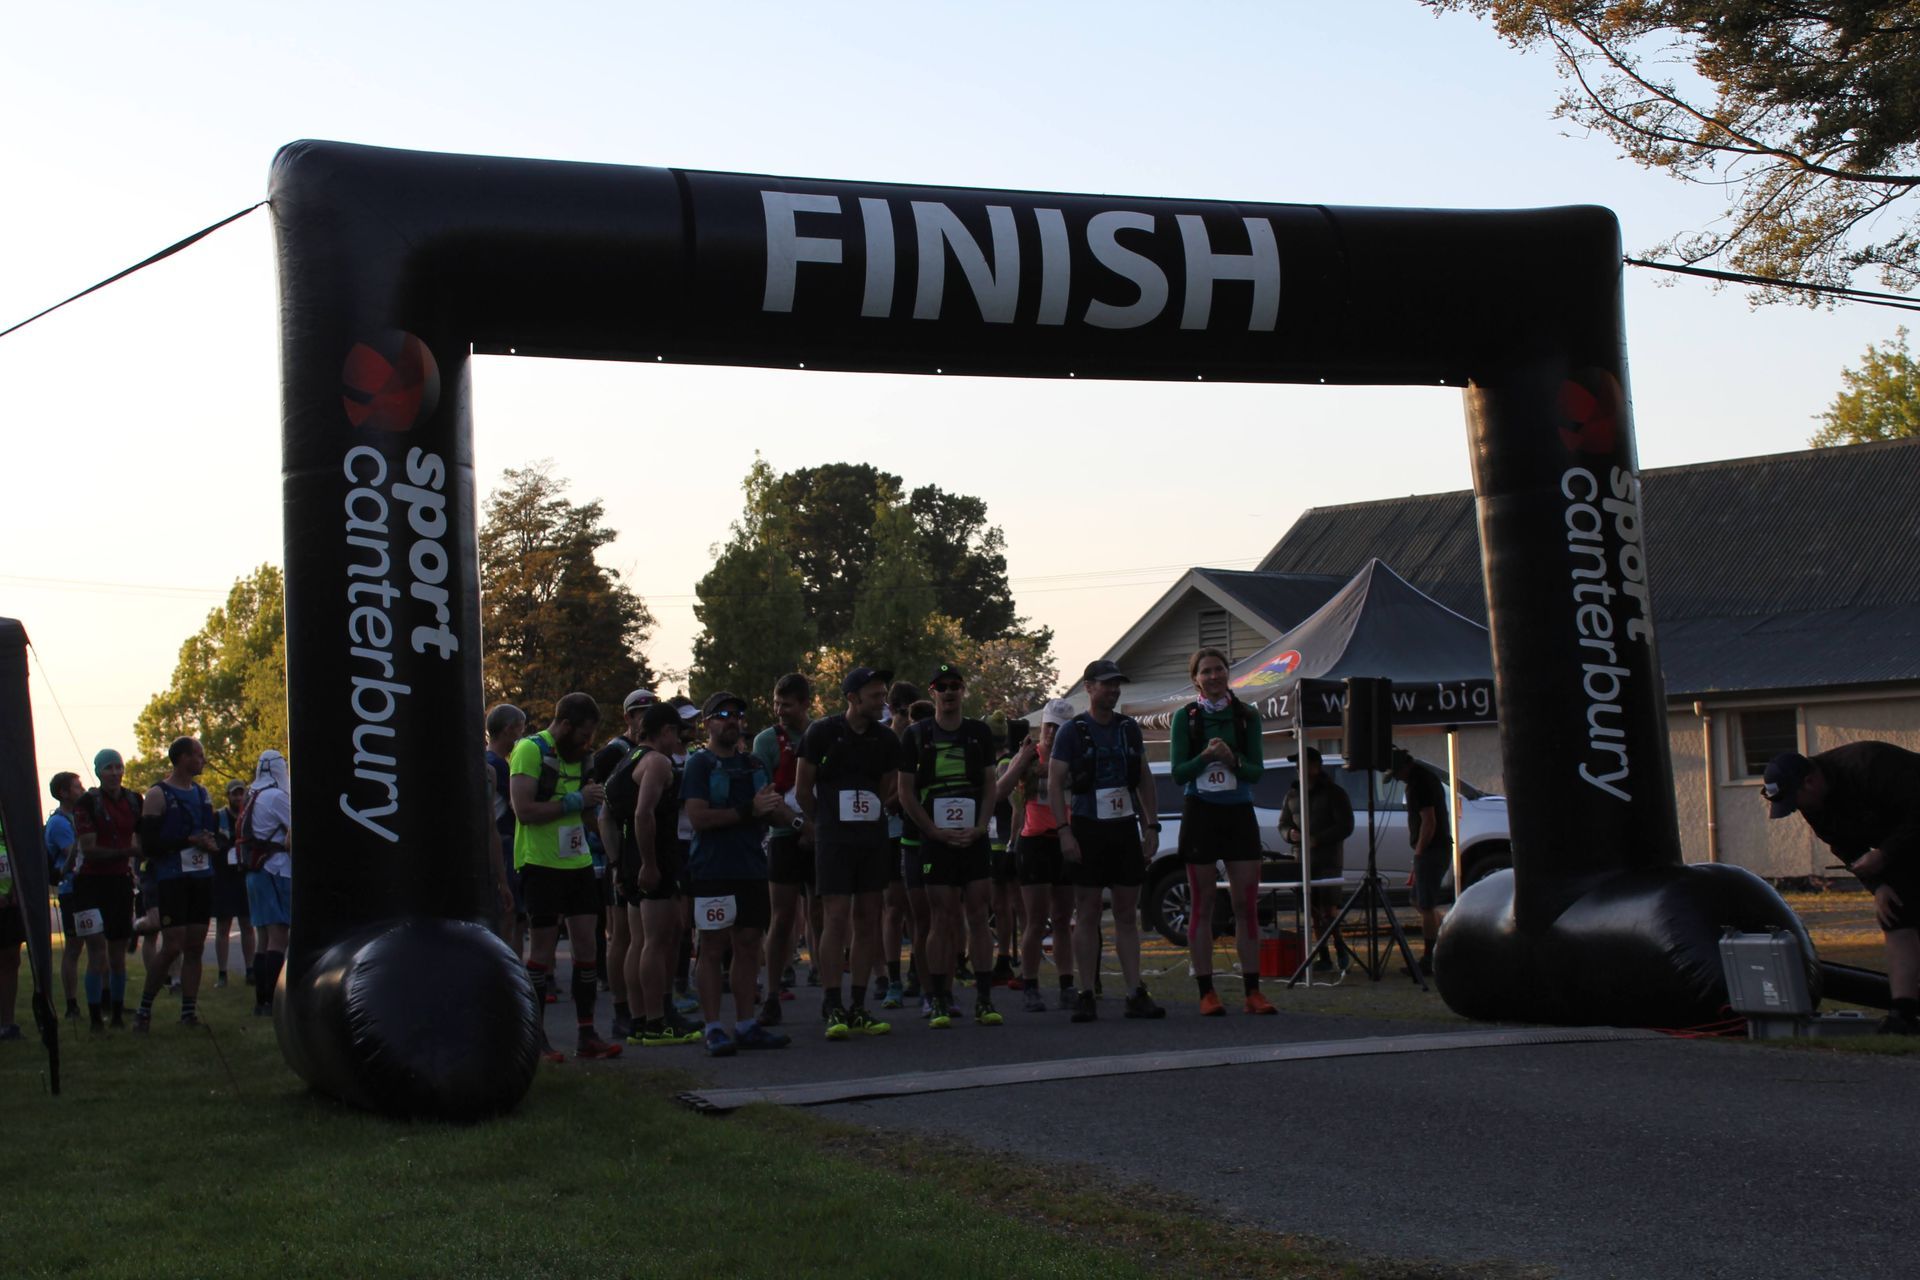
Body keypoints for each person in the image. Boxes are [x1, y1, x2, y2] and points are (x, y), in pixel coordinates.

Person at [1763, 744, 1920, 1034]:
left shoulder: (1869, 766)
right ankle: (1904, 1014)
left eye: (1796, 802)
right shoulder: (1814, 804)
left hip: (1910, 827)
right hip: (1900, 844)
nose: (1799, 811)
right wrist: (1879, 886)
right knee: (1896, 913)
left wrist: (1884, 854)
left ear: (1809, 781)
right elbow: (1844, 845)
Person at [1048, 660, 1163, 1022]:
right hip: (1086, 826)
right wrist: (1063, 831)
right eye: (1106, 684)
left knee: (1128, 912)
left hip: (1124, 826)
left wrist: (1152, 826)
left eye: (1117, 685)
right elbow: (1054, 783)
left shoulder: (1128, 728)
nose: (1113, 690)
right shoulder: (1072, 731)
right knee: (1087, 910)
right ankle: (1085, 991)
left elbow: (1144, 777)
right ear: (1088, 687)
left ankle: (1134, 991)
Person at [511, 693, 623, 1061]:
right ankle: (533, 1038)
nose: (588, 743)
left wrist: (600, 811)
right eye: (584, 734)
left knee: (588, 947)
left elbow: (588, 811)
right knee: (541, 952)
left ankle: (587, 1034)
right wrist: (574, 800)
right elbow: (524, 810)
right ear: (565, 725)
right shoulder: (530, 750)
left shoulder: (582, 757)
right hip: (540, 863)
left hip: (577, 863)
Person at [682, 690, 790, 1056]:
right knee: (712, 947)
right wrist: (750, 810)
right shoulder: (699, 764)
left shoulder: (755, 765)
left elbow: (769, 810)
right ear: (707, 723)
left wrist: (796, 820)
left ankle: (746, 1023)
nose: (731, 720)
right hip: (712, 870)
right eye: (722, 714)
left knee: (748, 946)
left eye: (737, 715)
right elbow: (698, 818)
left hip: (751, 869)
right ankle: (713, 1027)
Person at [1171, 647, 1277, 1016]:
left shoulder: (1246, 715)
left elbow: (1257, 771)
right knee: (1202, 904)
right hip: (1201, 812)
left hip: (1238, 813)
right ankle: (1206, 991)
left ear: (1228, 674)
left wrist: (1233, 760)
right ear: (1195, 679)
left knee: (1245, 904)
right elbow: (1178, 773)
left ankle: (1253, 991)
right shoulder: (1185, 718)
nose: (1214, 677)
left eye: (1219, 670)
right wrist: (1204, 758)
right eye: (1206, 672)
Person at [898, 662, 1003, 1028]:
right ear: (932, 692)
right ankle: (938, 997)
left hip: (972, 837)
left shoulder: (978, 732)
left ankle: (985, 998)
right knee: (939, 919)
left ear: (963, 690)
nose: (948, 692)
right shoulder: (916, 735)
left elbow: (991, 785)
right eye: (941, 686)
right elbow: (904, 790)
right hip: (935, 839)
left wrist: (980, 827)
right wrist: (930, 830)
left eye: (954, 685)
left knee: (977, 916)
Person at [797, 667, 900, 1041]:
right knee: (835, 916)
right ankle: (832, 1002)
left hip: (871, 839)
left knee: (868, 917)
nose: (882, 702)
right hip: (834, 839)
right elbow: (803, 788)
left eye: (883, 694)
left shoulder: (885, 739)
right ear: (853, 698)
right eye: (875, 695)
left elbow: (889, 787)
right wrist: (822, 825)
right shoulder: (822, 732)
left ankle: (858, 1004)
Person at [603, 701, 701, 1047]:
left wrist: (618, 862)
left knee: (639, 941)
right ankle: (657, 1020)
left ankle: (641, 1018)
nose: (680, 741)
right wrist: (650, 864)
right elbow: (645, 814)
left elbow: (606, 816)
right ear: (668, 731)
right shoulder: (657, 762)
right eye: (678, 733)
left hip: (630, 858)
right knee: (657, 941)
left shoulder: (624, 761)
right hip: (653, 856)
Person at [130, 737, 219, 1031]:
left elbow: (212, 832)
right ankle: (144, 1009)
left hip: (201, 877)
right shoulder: (158, 794)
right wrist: (187, 841)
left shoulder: (202, 793)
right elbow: (150, 845)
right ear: (182, 759)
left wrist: (211, 843)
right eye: (198, 755)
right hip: (171, 878)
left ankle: (188, 1012)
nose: (203, 760)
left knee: (195, 946)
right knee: (172, 946)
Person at [1000, 699, 1078, 1013]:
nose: (1052, 734)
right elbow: (1002, 789)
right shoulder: (1029, 755)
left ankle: (1066, 984)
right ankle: (1030, 983)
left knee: (1062, 920)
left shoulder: (1073, 756)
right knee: (1035, 921)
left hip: (1064, 840)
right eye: (1048, 727)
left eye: (1059, 729)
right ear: (1040, 726)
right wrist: (1022, 761)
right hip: (1033, 842)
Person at [592, 688, 657, 1040]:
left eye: (651, 710)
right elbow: (599, 808)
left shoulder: (655, 751)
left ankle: (650, 1005)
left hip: (642, 849)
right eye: (639, 712)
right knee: (623, 934)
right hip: (617, 851)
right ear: (627, 717)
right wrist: (612, 855)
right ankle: (622, 1008)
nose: (645, 717)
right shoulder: (612, 754)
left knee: (649, 935)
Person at [752, 673, 817, 1028]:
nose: (779, 711)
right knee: (782, 918)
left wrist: (817, 828)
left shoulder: (819, 734)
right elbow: (765, 798)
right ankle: (772, 993)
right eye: (776, 703)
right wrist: (800, 826)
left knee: (824, 915)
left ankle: (831, 991)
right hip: (782, 837)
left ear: (805, 704)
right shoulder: (765, 741)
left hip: (819, 836)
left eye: (787, 705)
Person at [72, 748, 139, 1029]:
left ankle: (117, 1011)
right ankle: (96, 1016)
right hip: (90, 884)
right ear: (98, 771)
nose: (114, 773)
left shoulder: (135, 800)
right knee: (96, 950)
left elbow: (141, 835)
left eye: (118, 767)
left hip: (120, 882)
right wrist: (127, 851)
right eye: (108, 768)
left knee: (118, 952)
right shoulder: (87, 803)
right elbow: (89, 849)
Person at [1280, 746, 1354, 974]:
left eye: (1303, 764)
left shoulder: (1334, 793)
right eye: (1296, 765)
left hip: (1328, 860)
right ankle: (1323, 956)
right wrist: (1289, 834)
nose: (1298, 769)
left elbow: (1345, 826)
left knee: (1328, 910)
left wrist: (1317, 840)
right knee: (1312, 911)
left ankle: (1341, 952)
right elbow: (1283, 823)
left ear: (1315, 766)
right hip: (1302, 861)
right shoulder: (1292, 795)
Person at [1389, 746, 1449, 975]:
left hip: (1432, 850)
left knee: (1424, 904)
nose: (1397, 779)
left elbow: (1429, 821)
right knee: (1418, 900)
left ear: (1404, 767)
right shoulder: (1423, 779)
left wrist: (1420, 852)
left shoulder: (1419, 784)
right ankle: (1445, 938)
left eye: (1396, 774)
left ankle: (1430, 957)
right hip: (1434, 849)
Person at [242, 749, 293, 1016]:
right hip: (276, 869)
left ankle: (261, 999)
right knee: (278, 936)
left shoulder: (253, 794)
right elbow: (295, 829)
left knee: (263, 937)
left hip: (255, 870)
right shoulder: (276, 796)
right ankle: (273, 1000)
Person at [881, 680, 921, 1006]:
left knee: (917, 908)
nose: (908, 720)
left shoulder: (918, 737)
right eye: (903, 714)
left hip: (915, 831)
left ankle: (917, 973)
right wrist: (897, 797)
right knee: (893, 906)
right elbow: (885, 794)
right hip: (889, 833)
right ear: (893, 711)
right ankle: (892, 977)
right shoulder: (882, 739)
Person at [484, 703, 529, 956]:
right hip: (505, 847)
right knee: (510, 917)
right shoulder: (498, 766)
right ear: (509, 730)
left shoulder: (487, 762)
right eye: (520, 730)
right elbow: (517, 806)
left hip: (500, 846)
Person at [985, 712, 1022, 991]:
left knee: (1008, 905)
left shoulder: (1005, 764)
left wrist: (1012, 844)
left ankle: (1006, 958)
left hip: (1005, 846)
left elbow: (1018, 806)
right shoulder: (998, 762)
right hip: (995, 843)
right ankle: (1002, 958)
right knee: (999, 906)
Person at [44, 771, 86, 1020]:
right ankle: (71, 1004)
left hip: (87, 888)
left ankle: (101, 998)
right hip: (71, 890)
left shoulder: (78, 817)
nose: (81, 790)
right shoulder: (59, 823)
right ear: (64, 792)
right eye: (76, 787)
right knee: (73, 947)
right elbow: (74, 853)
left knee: (96, 943)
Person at [211, 780, 254, 990]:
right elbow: (211, 843)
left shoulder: (250, 817)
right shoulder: (218, 817)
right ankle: (222, 973)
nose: (238, 798)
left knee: (247, 925)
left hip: (244, 876)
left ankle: (250, 969)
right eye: (234, 794)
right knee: (223, 927)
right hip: (224, 879)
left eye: (241, 794)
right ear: (227, 796)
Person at [0, 816, 22, 1040]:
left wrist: (15, 890)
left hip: (10, 903)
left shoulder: (9, 817)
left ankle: (7, 1023)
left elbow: (20, 854)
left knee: (11, 960)